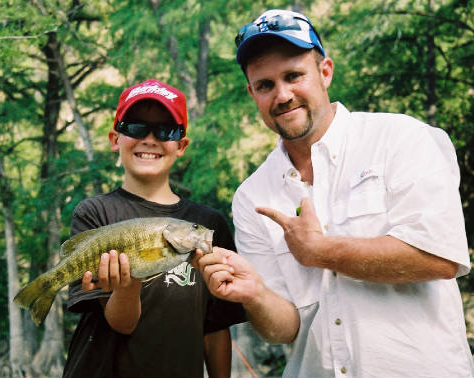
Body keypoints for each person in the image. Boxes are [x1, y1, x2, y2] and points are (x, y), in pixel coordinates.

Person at [193, 9, 474, 378]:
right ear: (252, 93)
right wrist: (255, 295)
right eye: (265, 85)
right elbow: (285, 329)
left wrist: (319, 251)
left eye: (294, 76)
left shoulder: (400, 139)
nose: (282, 95)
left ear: (325, 72)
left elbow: (439, 258)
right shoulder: (252, 196)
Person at [62, 79, 246, 378]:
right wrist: (129, 283)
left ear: (181, 145)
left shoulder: (209, 226)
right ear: (115, 139)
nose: (150, 138)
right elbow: (122, 323)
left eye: (165, 130)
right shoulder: (95, 213)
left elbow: (215, 328)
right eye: (135, 127)